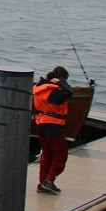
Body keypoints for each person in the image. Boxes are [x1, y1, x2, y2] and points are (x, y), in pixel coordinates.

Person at [33, 66, 73, 195]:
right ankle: (49, 181)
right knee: (61, 154)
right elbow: (68, 92)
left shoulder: (40, 88)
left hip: (41, 124)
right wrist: (61, 82)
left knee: (47, 154)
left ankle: (42, 182)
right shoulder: (55, 91)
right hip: (53, 126)